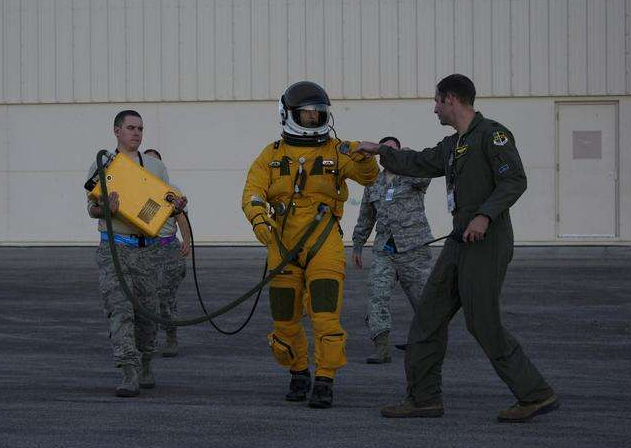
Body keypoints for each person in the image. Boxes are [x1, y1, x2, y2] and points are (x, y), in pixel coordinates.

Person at [358, 74, 558, 422]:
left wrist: (484, 216)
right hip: (458, 241)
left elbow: (514, 181)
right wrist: (380, 151)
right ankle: (424, 399)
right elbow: (419, 162)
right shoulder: (453, 145)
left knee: (482, 322)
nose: (433, 108)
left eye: (436, 101)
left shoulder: (492, 135)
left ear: (451, 99)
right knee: (427, 318)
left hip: (487, 241)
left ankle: (535, 394)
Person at [241, 81, 379, 408]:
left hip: (322, 240)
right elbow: (253, 193)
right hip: (281, 242)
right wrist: (260, 220)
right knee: (284, 320)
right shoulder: (271, 154)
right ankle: (299, 372)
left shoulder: (337, 150)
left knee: (325, 314)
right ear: (288, 114)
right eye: (306, 115)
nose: (313, 120)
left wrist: (363, 159)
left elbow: (368, 177)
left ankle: (326, 379)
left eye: (318, 115)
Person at [85, 110, 187, 397]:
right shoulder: (103, 166)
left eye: (140, 128)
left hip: (148, 251)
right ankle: (128, 370)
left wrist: (177, 206)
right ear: (116, 131)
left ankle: (144, 362)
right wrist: (108, 209)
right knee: (119, 310)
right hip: (115, 248)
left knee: (148, 313)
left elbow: (167, 208)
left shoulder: (154, 167)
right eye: (131, 128)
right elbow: (91, 209)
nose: (137, 133)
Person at [351, 136, 433, 364]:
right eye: (384, 151)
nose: (388, 155)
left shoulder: (412, 176)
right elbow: (366, 217)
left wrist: (408, 157)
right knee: (377, 296)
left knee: (422, 299)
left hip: (413, 248)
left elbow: (426, 176)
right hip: (385, 250)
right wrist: (358, 244)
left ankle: (425, 343)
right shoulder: (373, 183)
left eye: (393, 151)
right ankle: (381, 347)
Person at [143, 149, 192, 357]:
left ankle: (171, 335)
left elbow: (181, 218)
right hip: (144, 248)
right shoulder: (138, 190)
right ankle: (147, 342)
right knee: (145, 297)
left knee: (165, 296)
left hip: (167, 247)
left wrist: (187, 241)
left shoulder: (172, 190)